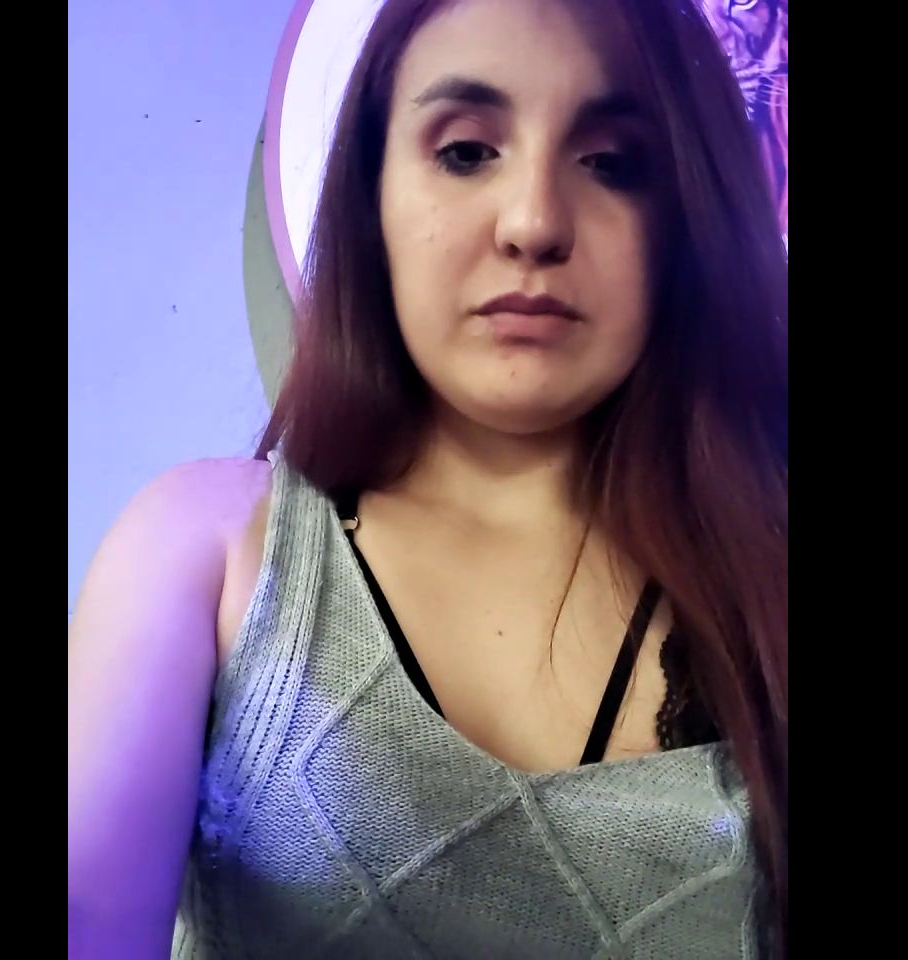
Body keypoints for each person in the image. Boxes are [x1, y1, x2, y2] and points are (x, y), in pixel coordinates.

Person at [67, 0, 788, 956]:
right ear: (371, 196)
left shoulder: (765, 584)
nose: (534, 222)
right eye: (465, 152)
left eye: (613, 163)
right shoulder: (209, 551)